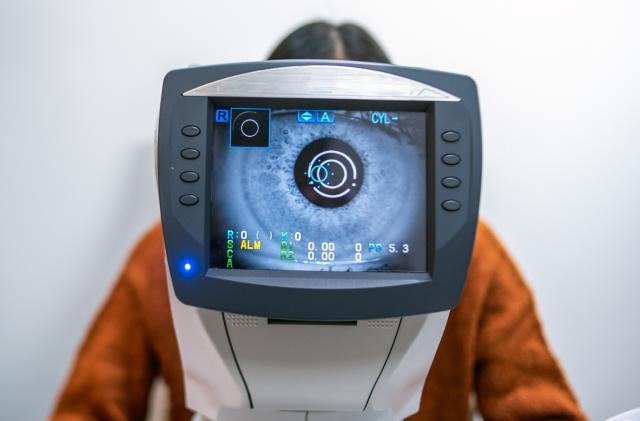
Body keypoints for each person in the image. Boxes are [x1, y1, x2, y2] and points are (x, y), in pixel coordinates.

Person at [51, 22, 586, 421]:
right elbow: (90, 406)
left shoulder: (477, 258)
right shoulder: (158, 259)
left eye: (370, 146)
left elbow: (537, 404)